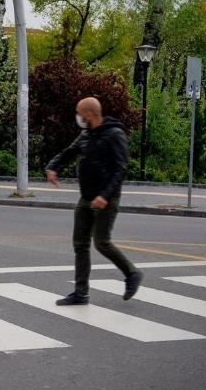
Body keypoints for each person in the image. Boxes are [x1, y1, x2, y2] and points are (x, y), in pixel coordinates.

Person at [44, 97, 142, 305]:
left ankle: (132, 274)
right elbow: (69, 152)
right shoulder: (86, 134)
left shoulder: (114, 134)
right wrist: (53, 167)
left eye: (79, 113)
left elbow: (121, 169)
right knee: (80, 244)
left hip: (106, 199)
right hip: (86, 197)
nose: (78, 117)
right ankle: (81, 293)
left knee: (101, 242)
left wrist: (104, 196)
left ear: (89, 114)